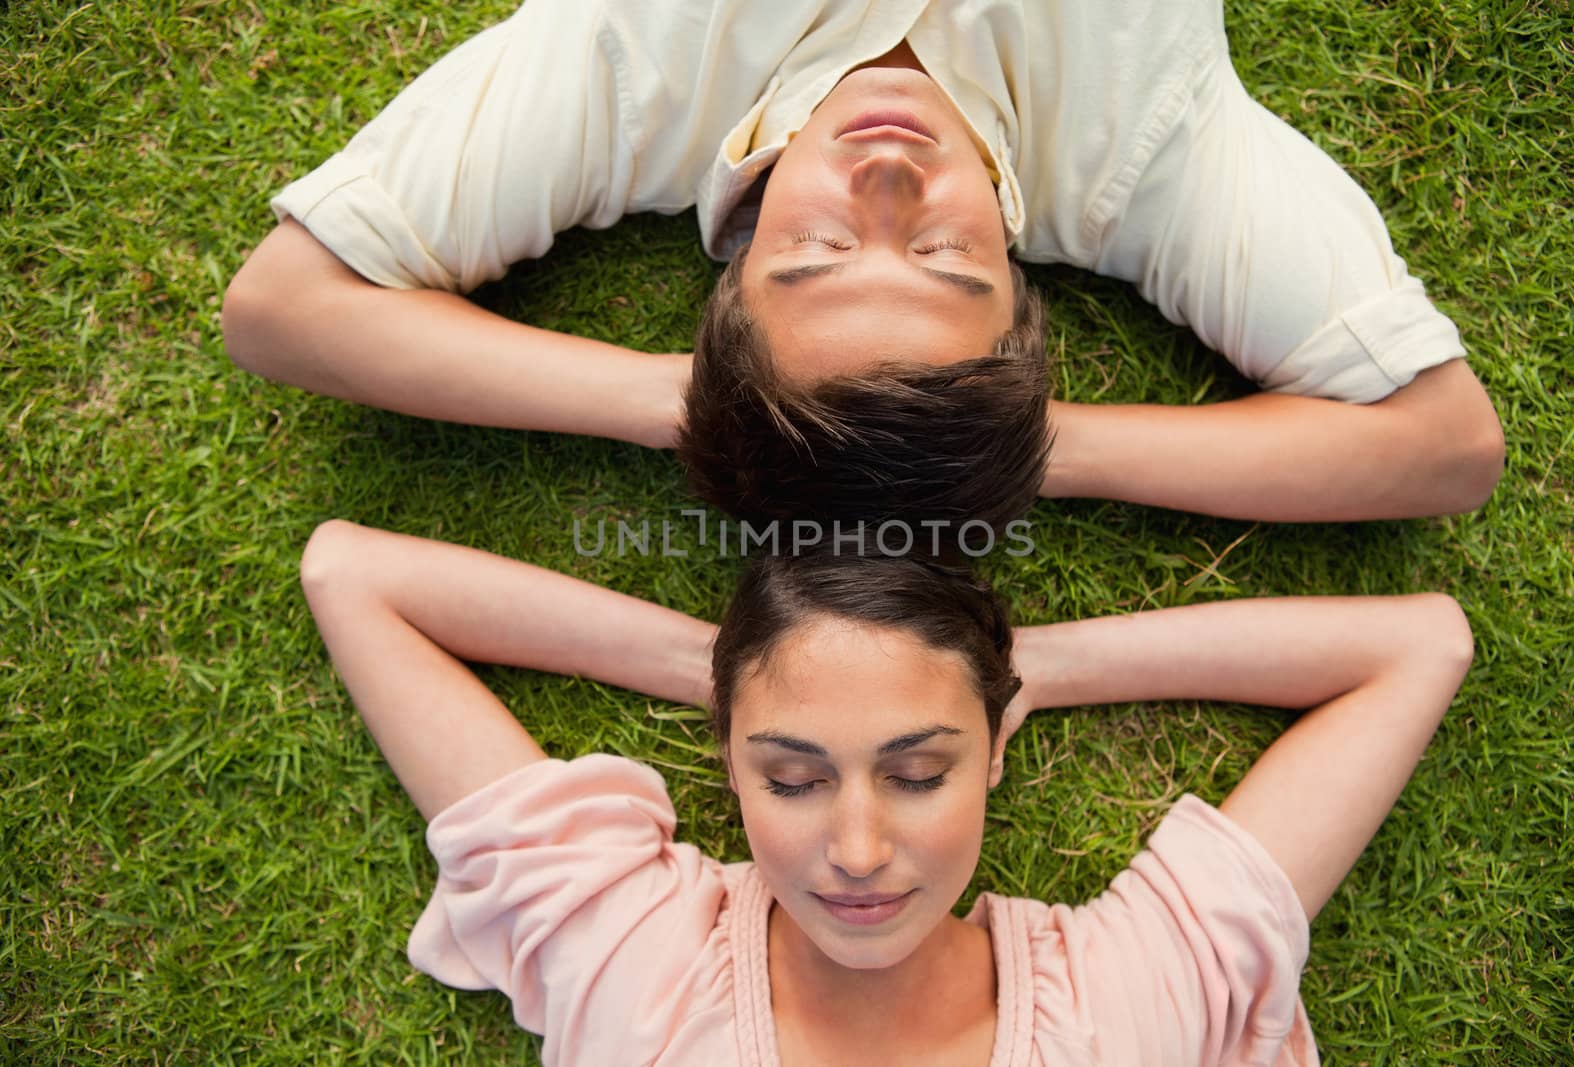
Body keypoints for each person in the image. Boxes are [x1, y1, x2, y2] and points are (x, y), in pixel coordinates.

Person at [223, 0, 1504, 527]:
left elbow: (288, 306)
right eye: (947, 254)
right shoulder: (1144, 161)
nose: (886, 180)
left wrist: (708, 413)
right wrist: (996, 445)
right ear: (1021, 288)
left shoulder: (630, 80)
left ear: (729, 259)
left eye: (817, 248)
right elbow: (1441, 442)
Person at [299, 519, 1475, 1064]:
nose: (856, 846)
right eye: (792, 772)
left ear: (994, 747)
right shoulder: (635, 956)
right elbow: (353, 574)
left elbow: (1416, 646)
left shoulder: (1128, 1001)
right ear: (730, 758)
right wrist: (753, 663)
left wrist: (1014, 671)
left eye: (918, 768)